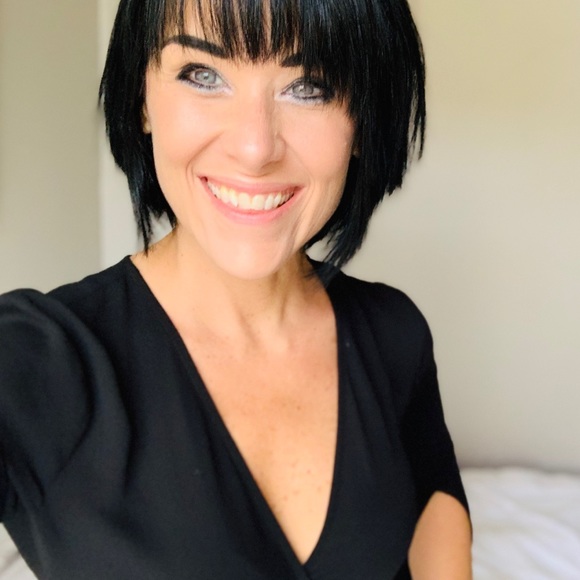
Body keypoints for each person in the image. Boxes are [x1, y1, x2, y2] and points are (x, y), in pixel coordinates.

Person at [0, 0, 472, 578]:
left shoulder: (395, 333)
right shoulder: (35, 361)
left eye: (310, 86)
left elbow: (436, 518)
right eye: (202, 75)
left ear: (362, 119)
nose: (255, 148)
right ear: (141, 98)